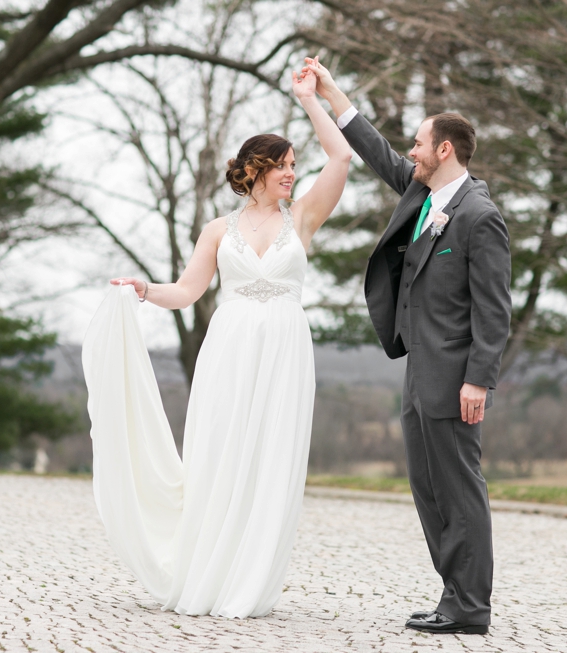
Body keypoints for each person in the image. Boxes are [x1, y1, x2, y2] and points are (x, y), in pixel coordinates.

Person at [81, 60, 351, 619]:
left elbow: (343, 156)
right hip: (227, 352)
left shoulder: (301, 219)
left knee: (270, 460)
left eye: (295, 166)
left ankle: (249, 581)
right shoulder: (215, 231)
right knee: (220, 457)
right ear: (255, 170)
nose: (292, 175)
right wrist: (142, 289)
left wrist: (310, 99)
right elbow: (186, 291)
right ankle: (209, 571)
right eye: (283, 166)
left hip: (284, 353)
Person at [303, 58, 511, 635]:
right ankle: (453, 596)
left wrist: (478, 379)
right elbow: (378, 153)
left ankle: (471, 607)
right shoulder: (423, 197)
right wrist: (329, 91)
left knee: (458, 487)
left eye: (419, 143)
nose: (411, 152)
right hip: (419, 367)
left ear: (445, 149)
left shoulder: (479, 216)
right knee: (428, 488)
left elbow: (494, 309)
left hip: (454, 376)